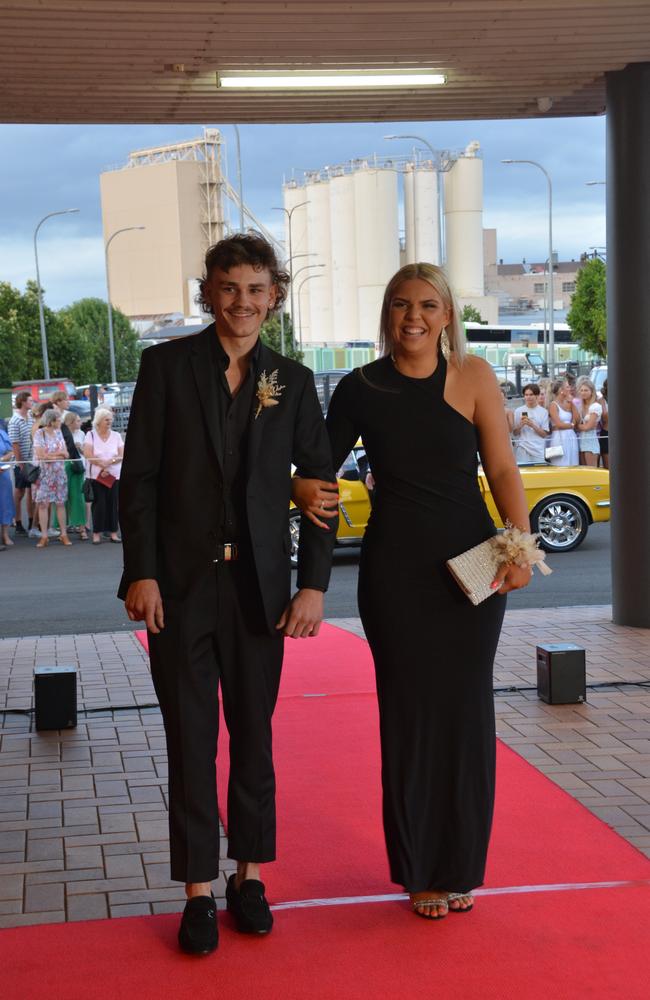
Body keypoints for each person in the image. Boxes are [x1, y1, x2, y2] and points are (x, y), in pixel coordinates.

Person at [292, 262, 535, 921]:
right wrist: (295, 486)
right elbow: (319, 471)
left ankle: (460, 868)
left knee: (465, 715)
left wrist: (521, 546)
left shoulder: (476, 377)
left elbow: (504, 468)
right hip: (396, 576)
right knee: (410, 719)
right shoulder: (360, 387)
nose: (414, 317)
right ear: (386, 314)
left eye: (428, 304)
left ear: (448, 314)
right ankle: (421, 872)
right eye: (401, 305)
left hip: (475, 571)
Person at [117, 232, 337, 956]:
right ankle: (198, 891)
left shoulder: (295, 380)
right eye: (229, 287)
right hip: (178, 589)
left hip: (259, 590)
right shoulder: (166, 367)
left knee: (254, 734)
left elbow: (322, 493)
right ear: (207, 291)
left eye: (256, 289)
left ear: (274, 295)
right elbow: (141, 483)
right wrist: (140, 573)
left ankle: (250, 877)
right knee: (189, 740)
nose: (242, 302)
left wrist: (312, 585)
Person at [83, 407, 123, 544]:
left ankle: (113, 533)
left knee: (113, 504)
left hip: (114, 475)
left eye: (111, 419)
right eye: (107, 419)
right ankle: (96, 534)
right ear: (99, 421)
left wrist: (109, 463)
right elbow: (87, 454)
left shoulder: (117, 435)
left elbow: (121, 454)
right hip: (97, 476)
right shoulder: (91, 435)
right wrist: (102, 465)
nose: (109, 422)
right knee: (99, 505)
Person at [32, 408, 70, 548]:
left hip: (59, 473)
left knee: (60, 503)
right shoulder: (39, 434)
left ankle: (64, 534)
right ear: (51, 421)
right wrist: (57, 454)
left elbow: (66, 454)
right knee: (43, 504)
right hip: (44, 475)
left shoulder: (59, 432)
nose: (60, 422)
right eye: (58, 419)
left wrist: (54, 455)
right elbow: (42, 456)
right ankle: (44, 536)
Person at [8, 390, 34, 535]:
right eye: (30, 400)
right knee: (19, 492)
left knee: (31, 491)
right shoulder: (14, 420)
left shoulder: (30, 418)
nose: (32, 403)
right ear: (23, 402)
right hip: (21, 463)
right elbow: (15, 444)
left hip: (31, 461)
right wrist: (20, 463)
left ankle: (31, 520)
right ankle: (17, 521)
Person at [62, 411, 87, 539]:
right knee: (64, 497)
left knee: (78, 496)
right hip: (66, 466)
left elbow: (85, 452)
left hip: (78, 466)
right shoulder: (63, 434)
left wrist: (80, 448)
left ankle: (81, 527)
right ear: (71, 422)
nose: (80, 422)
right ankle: (64, 527)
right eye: (77, 420)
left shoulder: (82, 434)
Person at [512, 383, 549, 463]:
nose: (528, 397)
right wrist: (521, 425)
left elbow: (544, 434)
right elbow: (515, 433)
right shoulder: (518, 411)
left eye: (531, 394)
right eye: (526, 395)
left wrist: (532, 425)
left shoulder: (543, 412)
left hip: (538, 449)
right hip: (523, 448)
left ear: (537, 395)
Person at [547, 379, 580, 466]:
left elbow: (577, 419)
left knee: (573, 461)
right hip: (559, 437)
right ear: (561, 390)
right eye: (567, 387)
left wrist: (572, 402)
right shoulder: (553, 405)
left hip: (571, 436)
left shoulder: (569, 403)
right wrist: (572, 425)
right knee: (560, 463)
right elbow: (559, 424)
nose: (570, 389)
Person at [576, 378, 602, 467]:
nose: (583, 392)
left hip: (591, 441)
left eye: (586, 390)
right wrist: (583, 426)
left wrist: (578, 426)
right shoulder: (580, 406)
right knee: (583, 473)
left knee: (592, 472)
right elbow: (585, 425)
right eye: (581, 390)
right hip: (581, 441)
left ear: (592, 391)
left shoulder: (596, 406)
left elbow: (588, 427)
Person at [0, 420, 16, 549]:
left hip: (2, 473)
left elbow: (11, 452)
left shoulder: (1, 433)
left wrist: (2, 459)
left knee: (5, 503)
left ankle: (5, 535)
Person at [598, 378, 609, 469]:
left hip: (620, 434)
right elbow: (605, 418)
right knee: (608, 467)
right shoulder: (602, 400)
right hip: (607, 433)